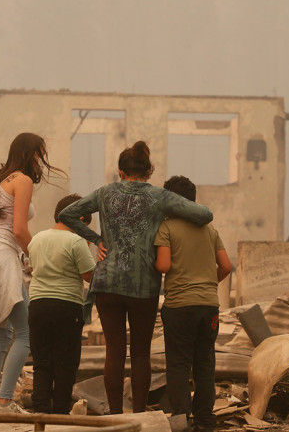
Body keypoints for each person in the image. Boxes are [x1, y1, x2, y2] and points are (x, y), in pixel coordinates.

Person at [58, 141, 213, 415]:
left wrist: (97, 239)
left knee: (114, 351)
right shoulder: (159, 196)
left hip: (108, 282)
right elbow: (204, 214)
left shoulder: (105, 193)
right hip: (144, 284)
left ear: (120, 171)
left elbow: (67, 214)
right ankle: (139, 415)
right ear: (149, 170)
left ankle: (116, 416)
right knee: (141, 352)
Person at [0, 132, 60, 413]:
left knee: (1, 337)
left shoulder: (1, 180)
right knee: (26, 334)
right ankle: (4, 401)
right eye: (40, 153)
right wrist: (36, 256)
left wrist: (23, 256)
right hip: (1, 260)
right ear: (30, 153)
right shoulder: (23, 180)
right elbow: (18, 229)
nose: (43, 160)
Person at [154, 175, 232, 432]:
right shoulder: (210, 230)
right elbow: (226, 266)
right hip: (209, 305)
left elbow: (164, 265)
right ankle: (206, 423)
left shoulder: (166, 228)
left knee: (177, 365)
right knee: (205, 365)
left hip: (179, 306)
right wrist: (209, 283)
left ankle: (181, 422)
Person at [27, 194, 96, 414]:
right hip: (67, 306)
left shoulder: (37, 238)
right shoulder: (76, 241)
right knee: (65, 363)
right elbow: (89, 275)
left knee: (42, 362)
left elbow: (32, 269)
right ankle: (60, 414)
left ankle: (39, 413)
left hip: (38, 305)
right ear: (80, 219)